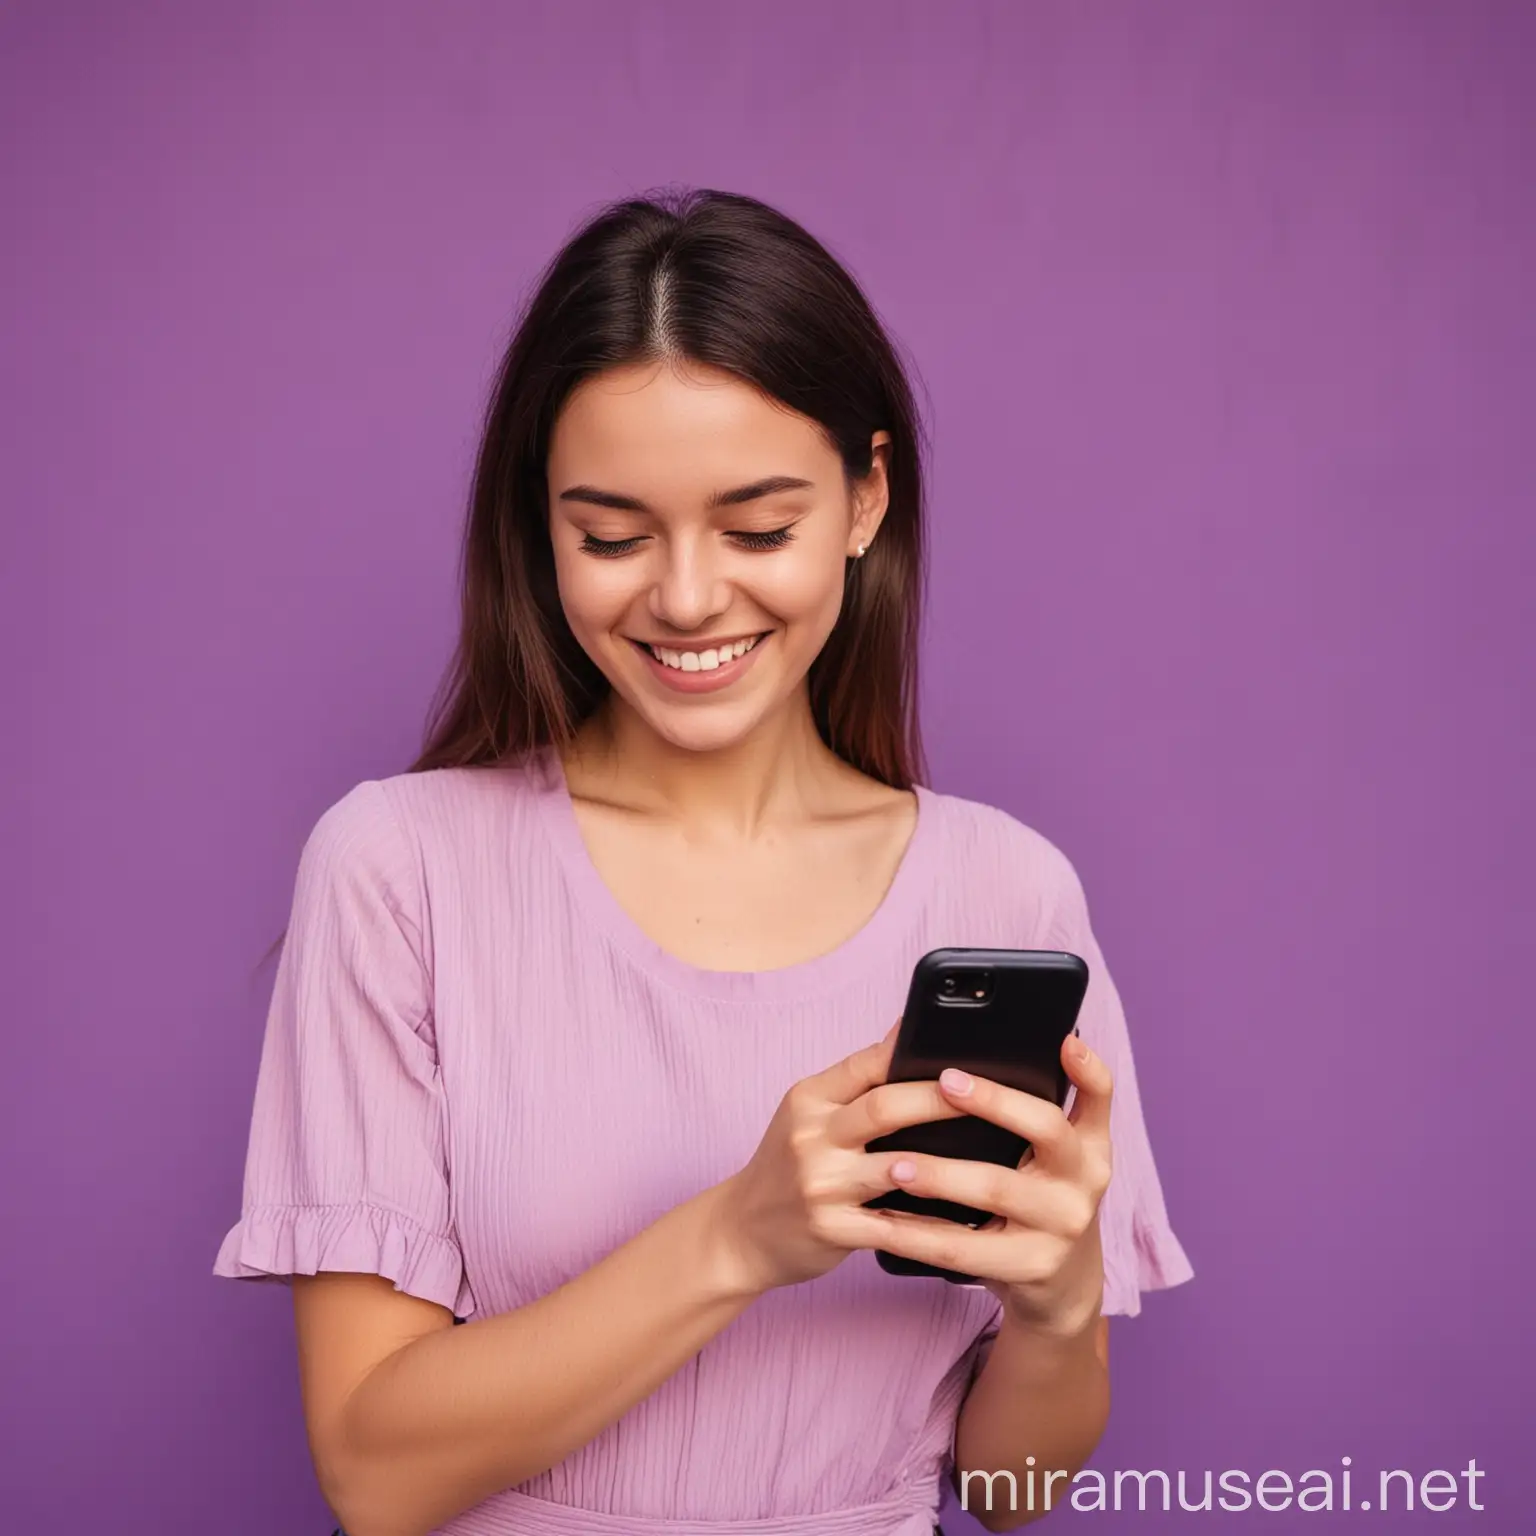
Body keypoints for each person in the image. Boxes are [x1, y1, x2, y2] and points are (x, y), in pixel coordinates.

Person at [213, 186, 1194, 1536]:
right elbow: (375, 1477)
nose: (682, 597)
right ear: (539, 525)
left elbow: (1013, 1497)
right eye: (611, 535)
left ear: (866, 499)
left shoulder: (1006, 891)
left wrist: (1063, 1303)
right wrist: (738, 1235)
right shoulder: (400, 869)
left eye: (757, 528)